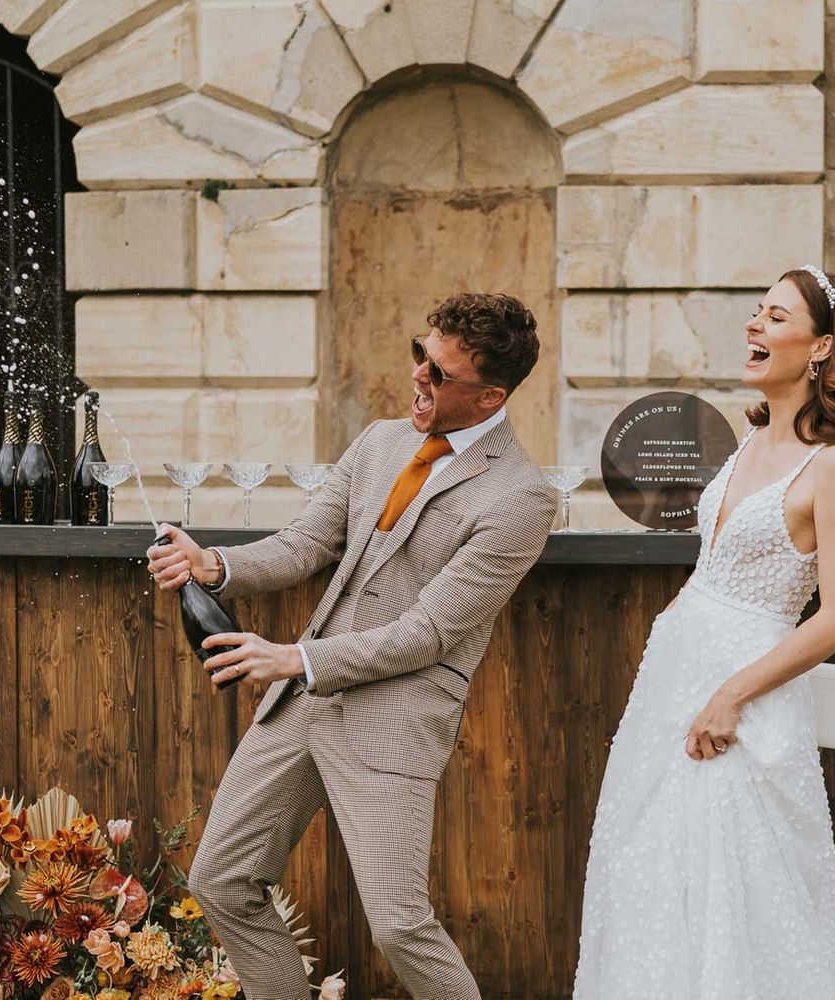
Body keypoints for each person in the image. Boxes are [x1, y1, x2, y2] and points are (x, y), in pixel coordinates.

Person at [147, 292, 558, 1000]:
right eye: (419, 356)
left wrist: (298, 659)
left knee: (399, 925)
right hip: (300, 705)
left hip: (391, 720)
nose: (420, 377)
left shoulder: (522, 497)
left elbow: (430, 632)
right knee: (221, 878)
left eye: (441, 373)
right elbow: (307, 544)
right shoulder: (379, 442)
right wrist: (215, 564)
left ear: (491, 395)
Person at [573, 266, 835, 999]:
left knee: (738, 889)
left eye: (775, 317)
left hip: (746, 693)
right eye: (756, 313)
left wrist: (731, 694)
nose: (753, 326)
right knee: (646, 871)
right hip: (671, 681)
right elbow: (713, 568)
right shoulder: (745, 447)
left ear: (818, 348)